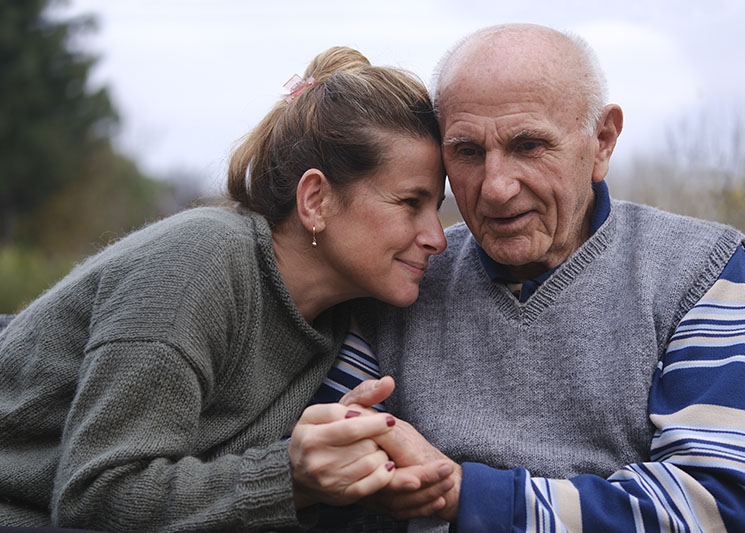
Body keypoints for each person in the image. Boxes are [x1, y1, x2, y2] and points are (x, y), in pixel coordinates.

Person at [336, 24, 745, 531]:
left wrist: (465, 496)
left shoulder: (699, 265)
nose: (495, 187)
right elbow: (338, 460)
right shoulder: (406, 276)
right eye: (467, 151)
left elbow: (713, 507)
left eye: (529, 145)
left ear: (602, 141)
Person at [0, 46, 454, 531]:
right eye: (410, 203)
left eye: (437, 207)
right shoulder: (199, 264)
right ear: (316, 200)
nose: (439, 238)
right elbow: (94, 498)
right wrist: (292, 480)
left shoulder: (335, 318)